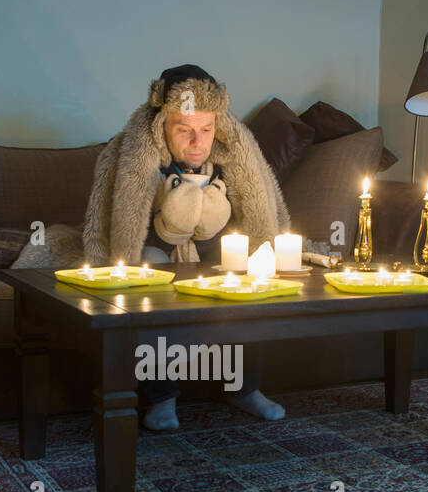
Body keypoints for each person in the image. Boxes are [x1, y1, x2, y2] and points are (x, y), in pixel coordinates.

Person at [81, 64, 291, 431]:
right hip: (156, 251)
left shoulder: (231, 154)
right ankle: (160, 398)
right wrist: (169, 230)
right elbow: (115, 228)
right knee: (150, 278)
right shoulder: (130, 153)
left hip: (215, 250)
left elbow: (256, 214)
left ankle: (244, 388)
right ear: (163, 125)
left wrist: (215, 236)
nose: (198, 142)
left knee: (247, 275)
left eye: (206, 130)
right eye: (185, 130)